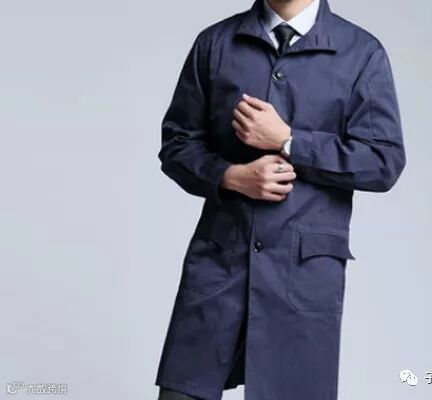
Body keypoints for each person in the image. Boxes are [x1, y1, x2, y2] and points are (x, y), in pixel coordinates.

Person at [155, 0, 406, 399]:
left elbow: (382, 161)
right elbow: (177, 145)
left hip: (302, 275)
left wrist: (290, 141)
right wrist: (231, 176)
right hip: (221, 263)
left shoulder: (360, 52)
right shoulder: (216, 44)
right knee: (183, 391)